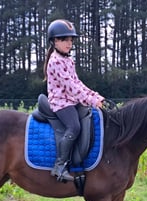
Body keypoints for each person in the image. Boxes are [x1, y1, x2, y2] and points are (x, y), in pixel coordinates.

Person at [43, 19, 105, 182]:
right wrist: (91, 100)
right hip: (61, 103)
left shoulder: (68, 60)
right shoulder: (55, 61)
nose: (69, 43)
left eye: (71, 40)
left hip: (71, 100)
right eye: (65, 40)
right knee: (74, 127)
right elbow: (71, 87)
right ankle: (60, 165)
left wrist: (95, 96)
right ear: (55, 41)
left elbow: (77, 83)